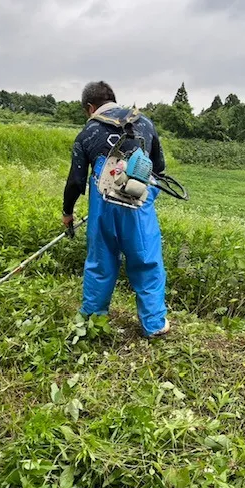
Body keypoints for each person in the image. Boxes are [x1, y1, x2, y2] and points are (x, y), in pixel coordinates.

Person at [62, 81, 170, 338]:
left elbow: (76, 181)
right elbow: (159, 168)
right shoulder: (144, 123)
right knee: (146, 261)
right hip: (138, 205)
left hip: (103, 209)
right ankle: (154, 325)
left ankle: (93, 321)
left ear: (90, 107)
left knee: (101, 262)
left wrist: (68, 213)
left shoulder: (87, 134)